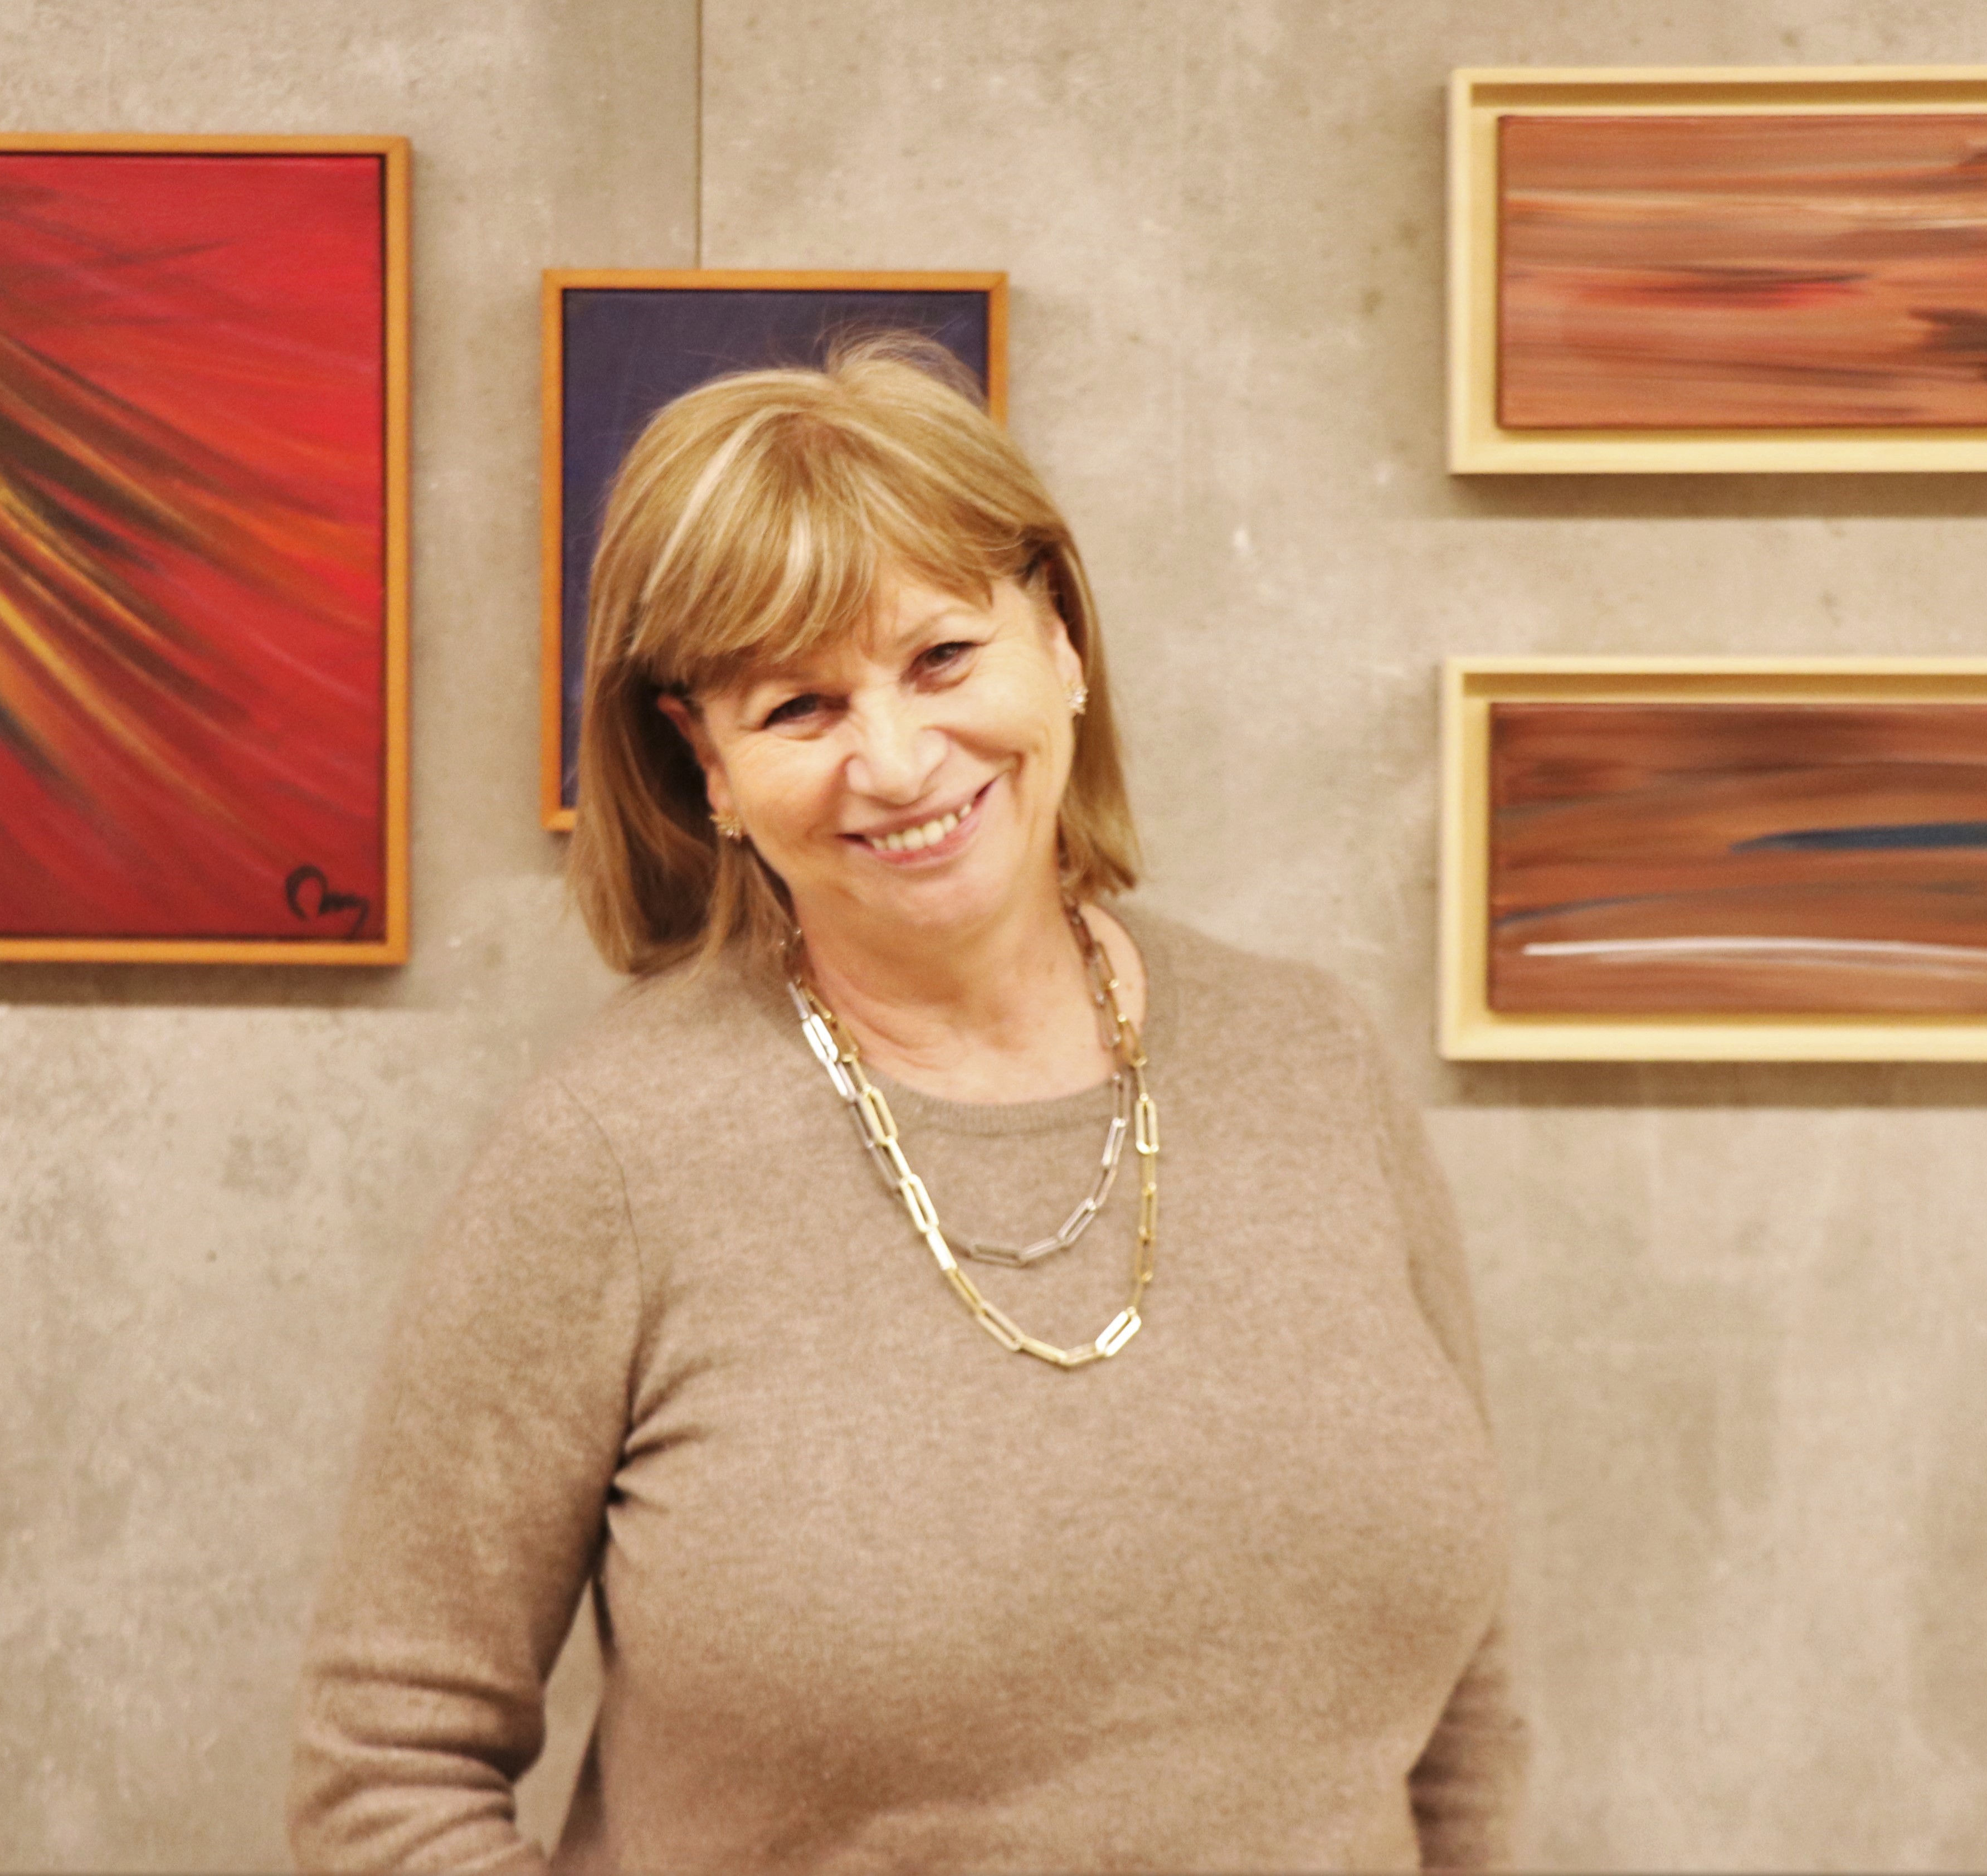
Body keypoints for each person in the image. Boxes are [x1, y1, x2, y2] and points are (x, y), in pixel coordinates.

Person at [290, 337, 1523, 1871]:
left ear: (1060, 639)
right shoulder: (609, 1156)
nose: (894, 759)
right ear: (706, 765)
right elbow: (389, 1770)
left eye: (942, 658)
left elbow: (1465, 1714)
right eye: (799, 708)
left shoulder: (1311, 1056)